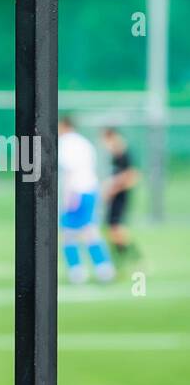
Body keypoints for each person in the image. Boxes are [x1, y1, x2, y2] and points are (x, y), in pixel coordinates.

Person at [58, 116, 114, 284]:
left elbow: (70, 171)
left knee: (68, 233)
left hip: (76, 192)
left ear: (65, 126)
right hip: (90, 189)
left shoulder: (66, 143)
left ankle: (77, 271)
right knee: (90, 229)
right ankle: (104, 269)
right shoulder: (84, 143)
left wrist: (69, 195)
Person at [100, 126, 141, 267]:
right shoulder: (115, 156)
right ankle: (122, 263)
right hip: (115, 197)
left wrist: (114, 187)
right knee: (112, 230)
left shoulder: (125, 154)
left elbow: (133, 176)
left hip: (121, 197)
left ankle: (136, 261)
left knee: (117, 230)